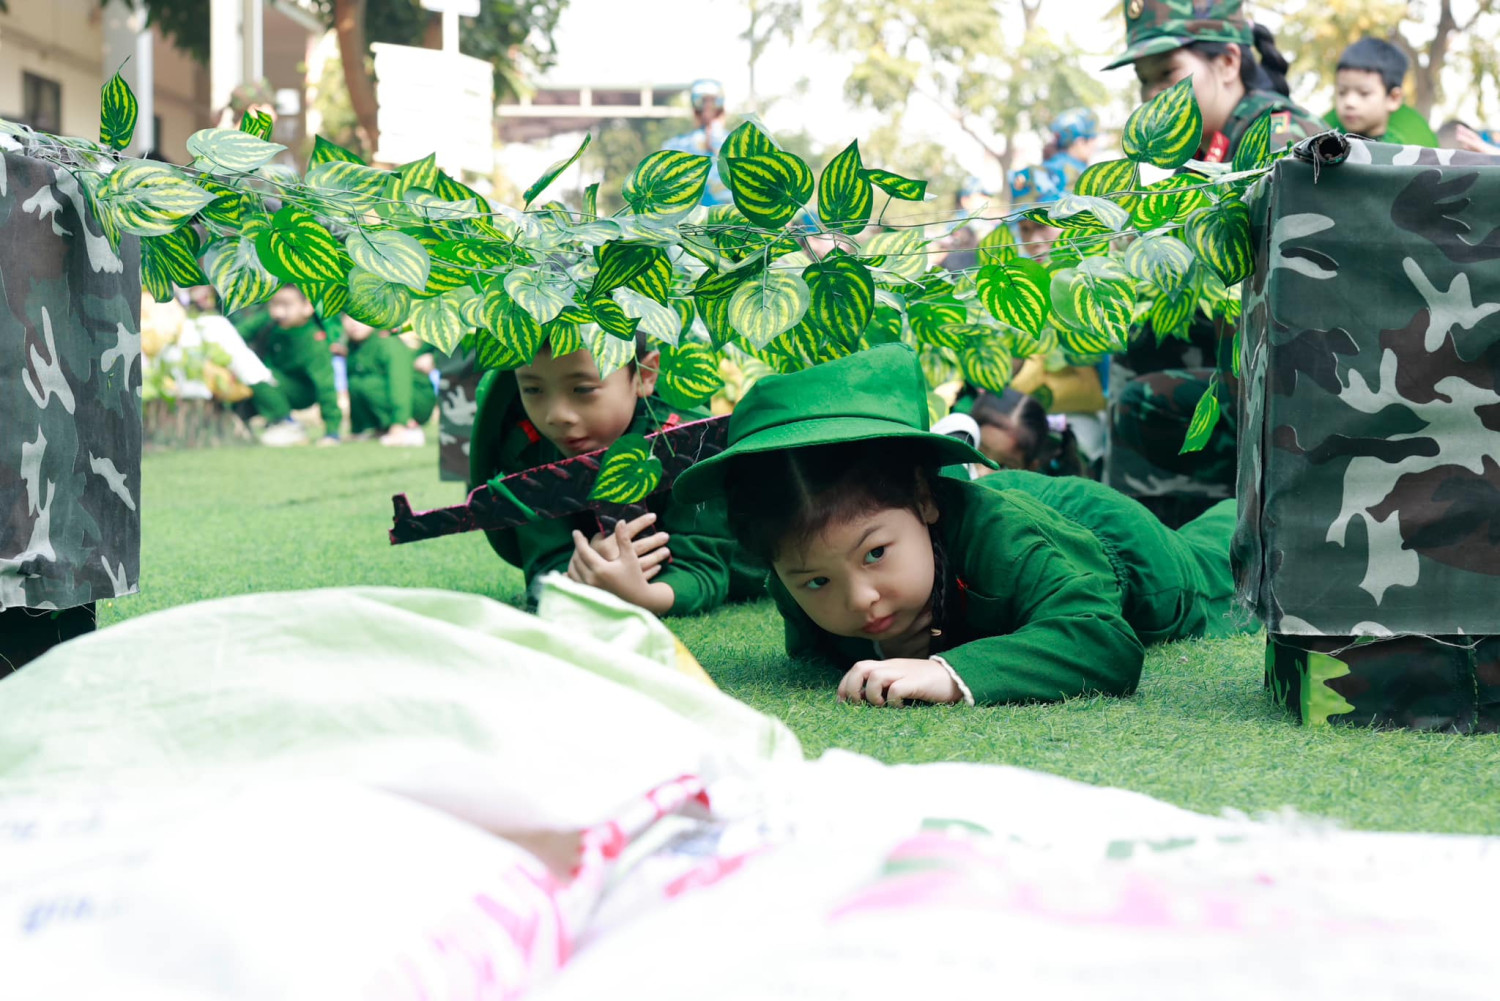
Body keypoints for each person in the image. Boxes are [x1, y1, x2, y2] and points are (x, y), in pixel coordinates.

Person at [673, 344, 1248, 707]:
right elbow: (811, 645)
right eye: (817, 581)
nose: (861, 599)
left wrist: (947, 674)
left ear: (924, 498)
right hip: (1002, 511)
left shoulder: (1005, 541)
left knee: (1237, 547)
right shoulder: (794, 574)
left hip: (1119, 547)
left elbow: (1105, 642)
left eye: (875, 554)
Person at [1104, 0, 1326, 524]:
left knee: (1144, 392)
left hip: (1301, 385)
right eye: (1143, 82)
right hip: (1256, 366)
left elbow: (1297, 298)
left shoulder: (1278, 139)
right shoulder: (1213, 149)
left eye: (1167, 75)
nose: (1152, 96)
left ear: (1228, 62)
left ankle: (1175, 539)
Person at [467, 335, 764, 615]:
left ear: (644, 376)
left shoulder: (690, 444)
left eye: (583, 389)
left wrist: (641, 597)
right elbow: (545, 566)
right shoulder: (527, 452)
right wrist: (582, 573)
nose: (556, 415)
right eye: (532, 389)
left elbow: (705, 570)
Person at [250, 286, 343, 446]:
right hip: (277, 383)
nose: (279, 312)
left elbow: (326, 387)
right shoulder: (273, 325)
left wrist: (332, 431)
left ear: (307, 307)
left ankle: (287, 424)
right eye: (274, 305)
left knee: (255, 374)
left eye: (286, 305)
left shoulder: (314, 341)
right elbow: (238, 332)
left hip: (302, 393)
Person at [342, 316, 436, 446]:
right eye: (348, 318)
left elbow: (400, 384)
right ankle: (375, 429)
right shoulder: (353, 345)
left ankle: (408, 429)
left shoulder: (387, 341)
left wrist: (399, 423)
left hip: (416, 398)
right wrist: (356, 429)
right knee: (356, 383)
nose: (354, 323)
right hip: (393, 394)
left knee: (368, 384)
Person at [1326, 37, 1436, 146]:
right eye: (1342, 92)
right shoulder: (1323, 146)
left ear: (1393, 98)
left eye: (1364, 93)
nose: (1349, 102)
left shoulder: (1409, 151)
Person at [661, 79, 731, 206]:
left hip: (691, 216)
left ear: (694, 111)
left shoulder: (675, 146)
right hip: (729, 215)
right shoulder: (736, 145)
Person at [1042, 108, 1099, 190]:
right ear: (1080, 142)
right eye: (1092, 139)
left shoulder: (1051, 165)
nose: (1095, 145)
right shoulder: (1076, 173)